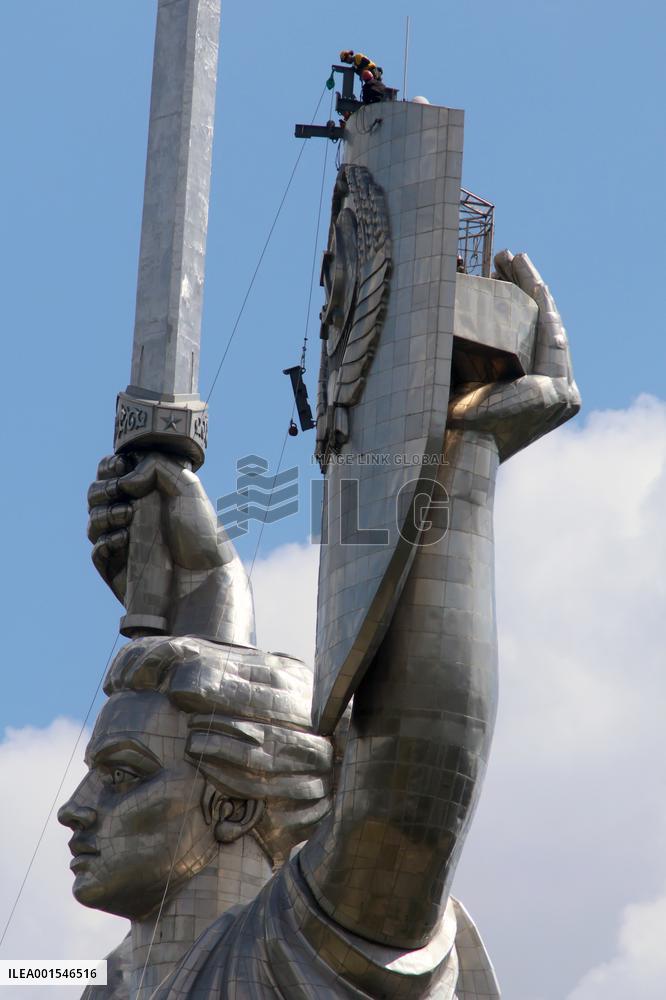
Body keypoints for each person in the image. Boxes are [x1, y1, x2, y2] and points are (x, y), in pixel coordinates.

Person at [60, 250, 579, 998]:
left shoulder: (298, 949)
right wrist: (208, 595)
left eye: (120, 777)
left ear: (235, 807)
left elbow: (417, 766)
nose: (75, 811)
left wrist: (467, 457)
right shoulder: (107, 981)